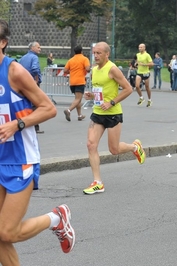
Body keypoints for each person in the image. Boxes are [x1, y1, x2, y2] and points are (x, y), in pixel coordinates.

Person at [0, 19, 75, 265]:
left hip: (21, 159)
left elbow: (48, 108)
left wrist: (17, 124)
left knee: (6, 232)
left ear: (3, 43)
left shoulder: (14, 72)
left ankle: (56, 218)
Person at [82, 42, 146, 195]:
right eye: (94, 53)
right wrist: (91, 95)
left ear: (106, 54)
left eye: (99, 53)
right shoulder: (94, 70)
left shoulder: (112, 69)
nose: (95, 56)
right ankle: (98, 182)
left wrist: (111, 102)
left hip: (112, 113)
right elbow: (100, 90)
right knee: (91, 145)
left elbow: (128, 89)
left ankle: (134, 147)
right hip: (98, 112)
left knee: (114, 149)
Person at [19, 41, 44, 134]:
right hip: (32, 83)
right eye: (38, 47)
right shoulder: (34, 57)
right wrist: (36, 79)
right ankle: (35, 126)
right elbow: (35, 69)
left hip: (22, 84)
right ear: (32, 48)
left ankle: (25, 123)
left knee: (26, 104)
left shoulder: (23, 58)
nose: (40, 49)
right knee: (36, 104)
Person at [63, 45, 91, 122]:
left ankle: (80, 115)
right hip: (80, 81)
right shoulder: (84, 59)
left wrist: (71, 71)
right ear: (81, 51)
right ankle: (68, 110)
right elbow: (88, 69)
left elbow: (65, 70)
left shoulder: (71, 60)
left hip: (72, 81)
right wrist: (89, 69)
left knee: (78, 99)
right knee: (78, 99)